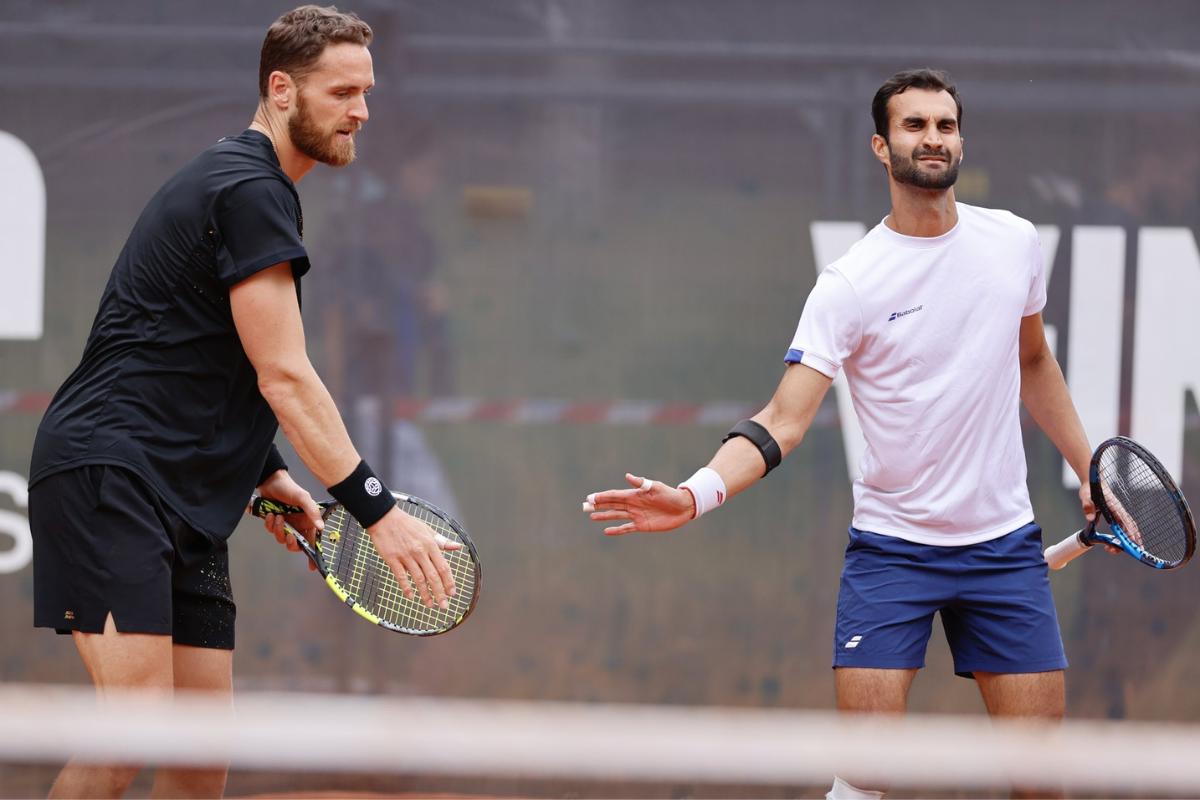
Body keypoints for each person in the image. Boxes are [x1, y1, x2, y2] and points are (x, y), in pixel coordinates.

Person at [583, 68, 1094, 800]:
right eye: (914, 126)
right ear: (881, 148)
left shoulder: (1012, 242)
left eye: (946, 125)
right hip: (893, 552)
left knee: (1041, 782)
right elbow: (782, 420)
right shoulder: (851, 284)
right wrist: (695, 496)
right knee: (864, 779)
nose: (933, 138)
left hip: (1003, 548)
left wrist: (1091, 470)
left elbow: (1034, 360)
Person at [27, 6, 457, 797]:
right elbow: (285, 376)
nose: (362, 110)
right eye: (341, 92)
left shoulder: (252, 187)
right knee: (131, 738)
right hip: (110, 476)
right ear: (282, 89)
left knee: (199, 761)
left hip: (186, 498)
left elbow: (199, 347)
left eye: (367, 91)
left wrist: (267, 474)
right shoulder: (248, 187)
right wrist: (376, 511)